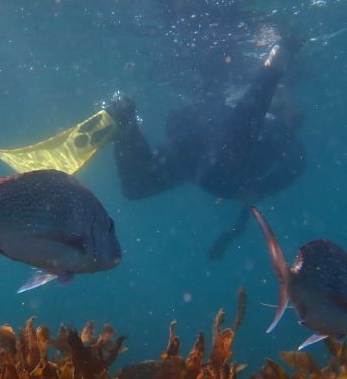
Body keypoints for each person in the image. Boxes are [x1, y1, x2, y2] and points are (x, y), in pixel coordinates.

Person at [106, 39, 306, 259]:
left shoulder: (277, 131)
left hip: (199, 162)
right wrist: (260, 190)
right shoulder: (273, 129)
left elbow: (295, 162)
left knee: (135, 187)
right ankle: (276, 63)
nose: (293, 111)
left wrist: (258, 190)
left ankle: (127, 125)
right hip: (210, 161)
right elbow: (296, 162)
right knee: (237, 133)